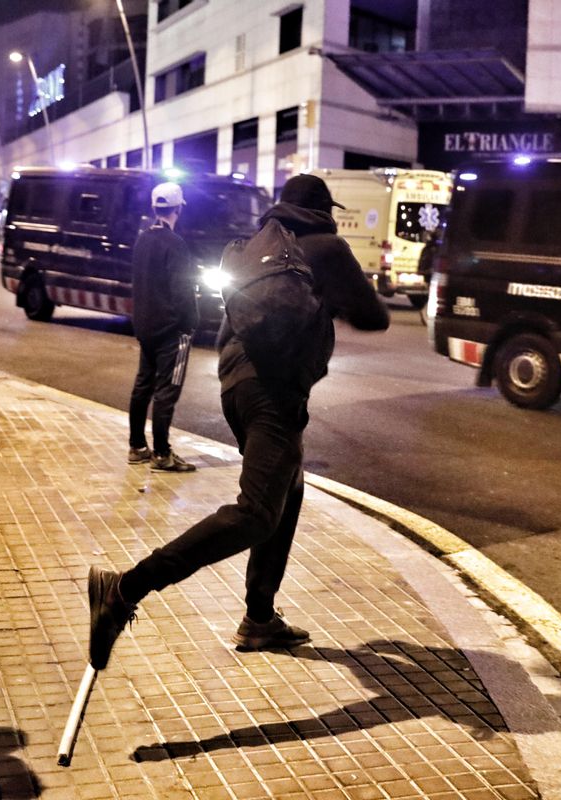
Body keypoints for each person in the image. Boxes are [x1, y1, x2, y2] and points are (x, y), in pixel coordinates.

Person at [88, 174, 390, 670]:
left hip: (236, 387)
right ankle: (124, 589)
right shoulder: (327, 247)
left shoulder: (251, 245)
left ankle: (259, 618)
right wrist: (331, 300)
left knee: (286, 489)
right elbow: (374, 317)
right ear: (323, 209)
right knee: (256, 513)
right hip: (274, 391)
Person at [127, 181, 199, 472]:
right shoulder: (175, 244)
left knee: (143, 384)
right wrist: (190, 323)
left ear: (155, 209)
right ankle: (162, 454)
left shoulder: (143, 239)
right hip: (172, 330)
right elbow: (182, 290)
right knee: (167, 390)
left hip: (145, 325)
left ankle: (136, 446)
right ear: (178, 209)